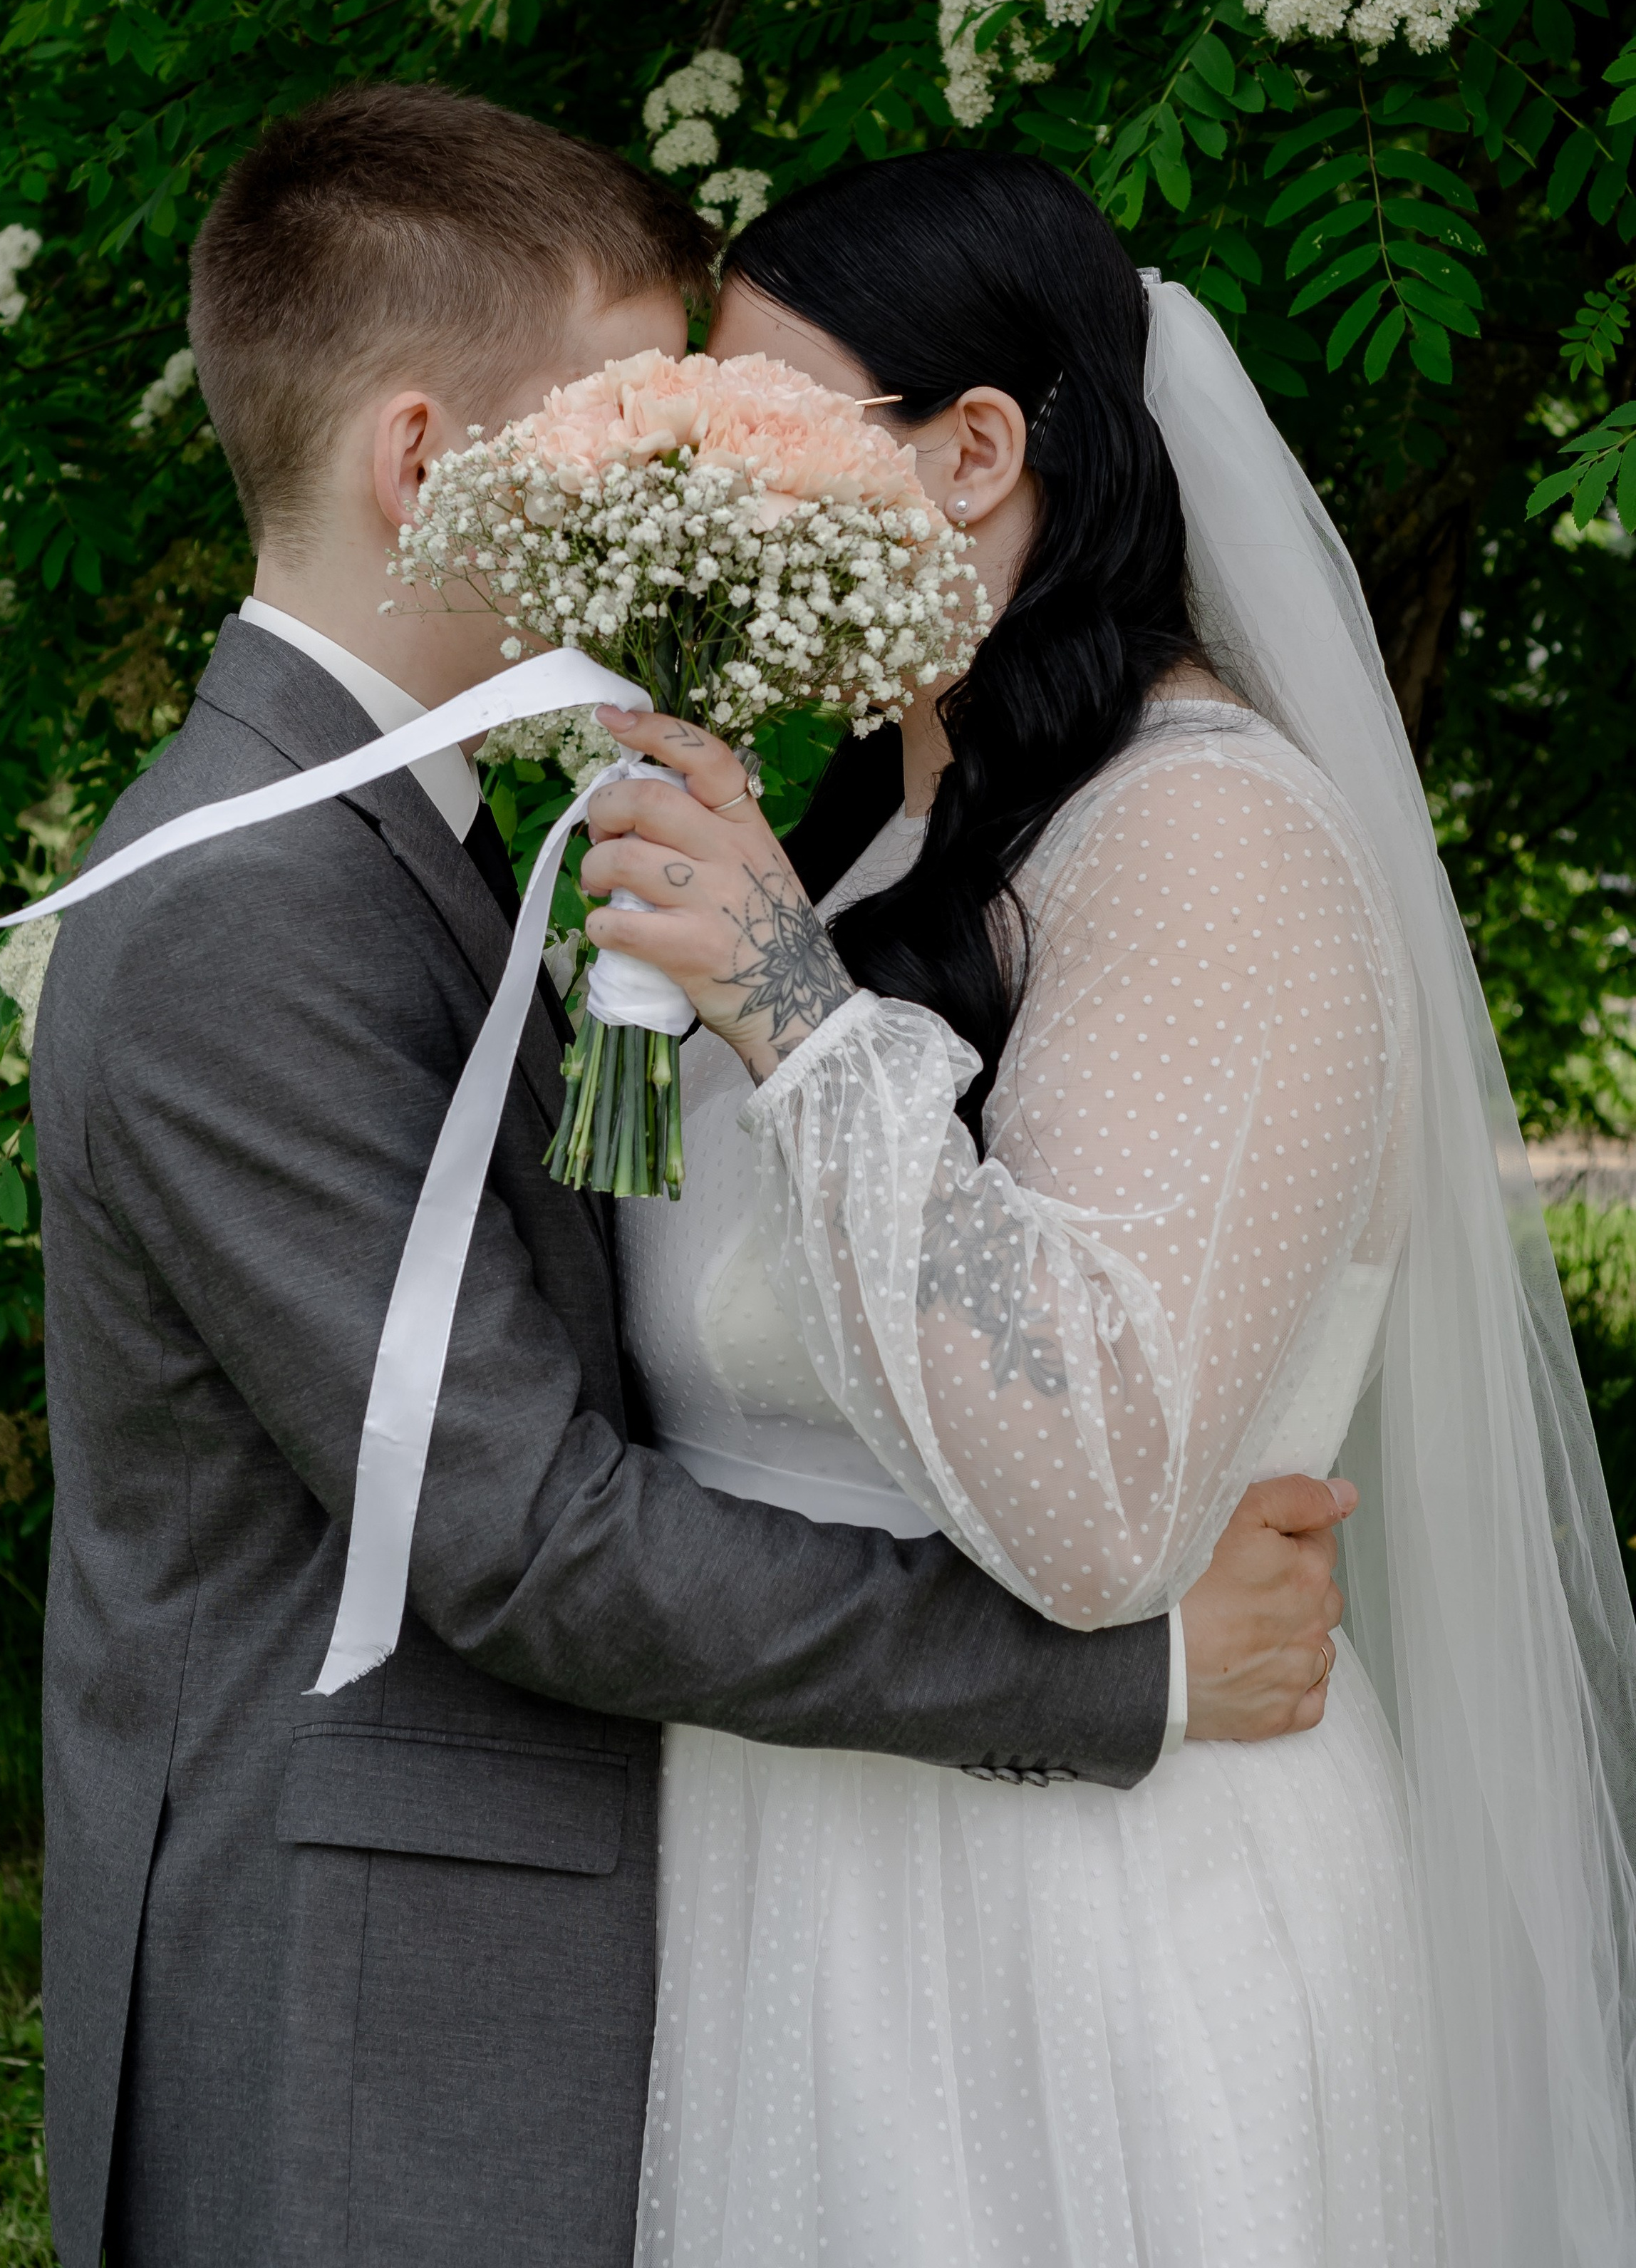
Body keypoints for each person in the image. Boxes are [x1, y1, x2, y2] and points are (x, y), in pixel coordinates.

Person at [29, 86, 1349, 2268]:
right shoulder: (247, 907)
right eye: (635, 433)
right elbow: (526, 1532)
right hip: (373, 2004)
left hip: (699, 1936)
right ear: (433, 466)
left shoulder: (446, 840)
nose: (696, 491)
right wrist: (1130, 1679)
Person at [585, 150, 1636, 2268]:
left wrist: (790, 1004)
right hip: (799, 1887)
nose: (710, 500)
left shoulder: (1208, 843)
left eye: (760, 431)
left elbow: (1099, 1498)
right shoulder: (869, 849)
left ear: (977, 452)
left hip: (1075, 1936)